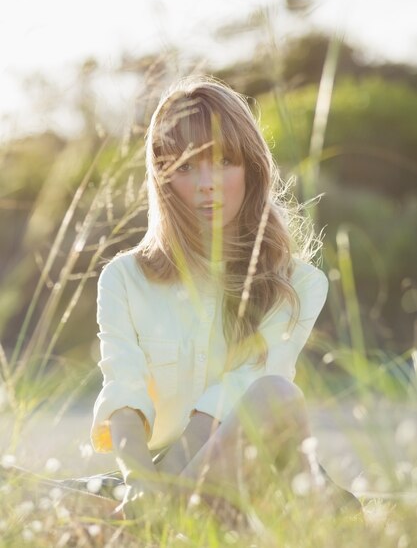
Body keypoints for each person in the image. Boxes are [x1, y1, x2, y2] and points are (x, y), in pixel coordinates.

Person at [89, 75, 361, 523]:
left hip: (259, 468)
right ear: (162, 178)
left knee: (274, 393)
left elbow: (241, 393)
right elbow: (123, 390)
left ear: (252, 168)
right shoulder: (123, 278)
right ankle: (154, 523)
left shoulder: (298, 284)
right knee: (17, 487)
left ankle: (156, 527)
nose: (206, 184)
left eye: (224, 162)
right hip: (155, 479)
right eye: (186, 167)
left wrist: (165, 500)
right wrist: (141, 486)